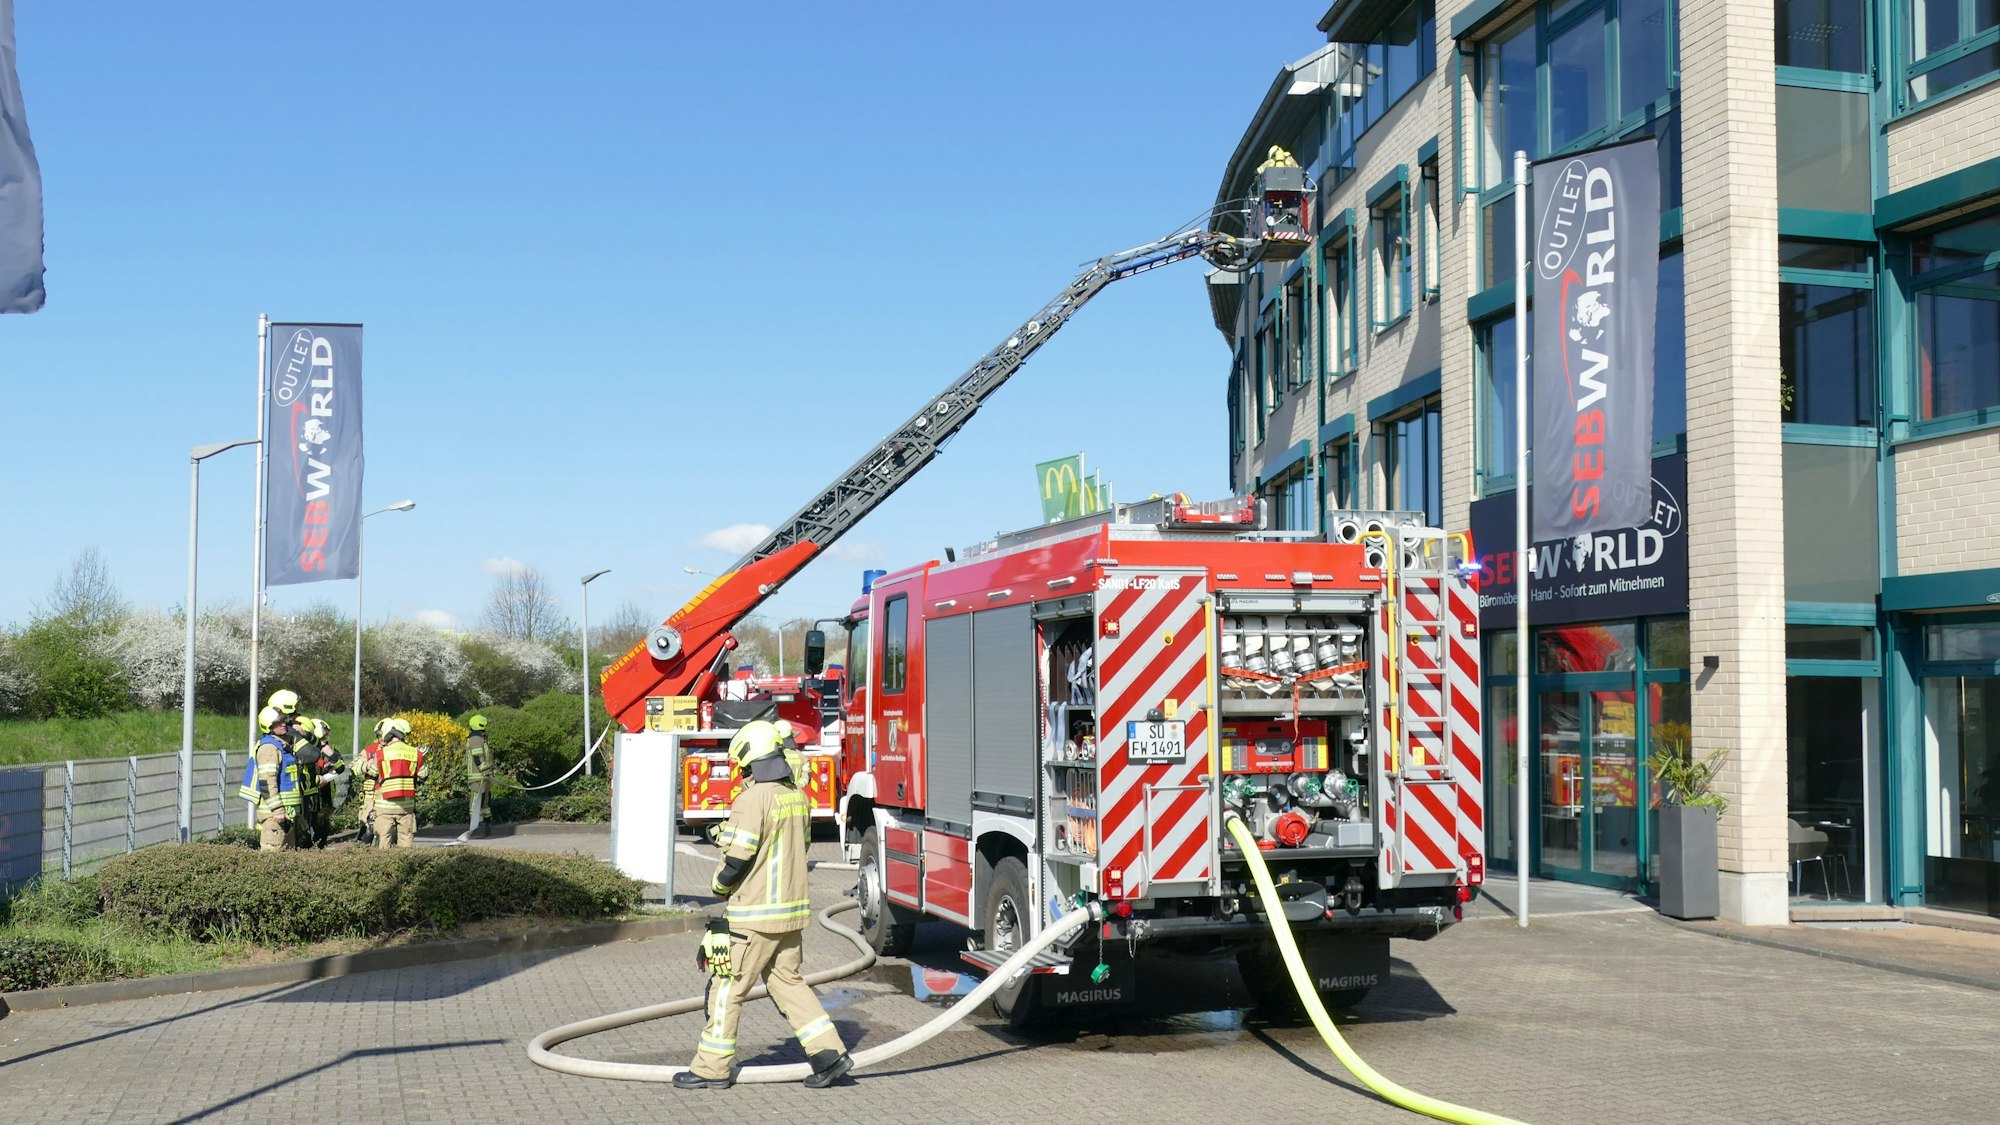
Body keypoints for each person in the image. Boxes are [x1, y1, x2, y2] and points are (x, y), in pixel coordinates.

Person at [676, 720, 851, 1092]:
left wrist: (718, 884)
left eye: (742, 767)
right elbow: (792, 844)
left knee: (727, 988)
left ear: (750, 760)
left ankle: (711, 1068)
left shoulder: (752, 799)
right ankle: (829, 1054)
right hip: (791, 914)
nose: (741, 774)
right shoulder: (796, 795)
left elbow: (738, 859)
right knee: (788, 983)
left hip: (754, 915)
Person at [236, 706, 301, 851]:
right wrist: (277, 810)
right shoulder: (269, 748)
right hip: (275, 816)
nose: (283, 724)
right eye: (278, 722)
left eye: (284, 720)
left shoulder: (284, 746)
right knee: (272, 859)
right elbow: (267, 781)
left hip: (287, 813)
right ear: (268, 726)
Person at [363, 718, 427, 848]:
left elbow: (374, 773)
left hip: (384, 806)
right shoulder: (416, 753)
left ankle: (386, 867)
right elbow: (423, 775)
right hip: (406, 806)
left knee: (384, 841)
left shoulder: (381, 754)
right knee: (406, 840)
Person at [355, 720, 387, 845]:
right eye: (379, 736)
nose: (382, 739)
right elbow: (355, 768)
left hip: (387, 794)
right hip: (370, 796)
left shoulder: (395, 750)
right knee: (368, 826)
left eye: (384, 736)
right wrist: (369, 764)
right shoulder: (369, 751)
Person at [463, 714, 494, 839]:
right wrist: (485, 770)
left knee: (485, 800)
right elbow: (478, 757)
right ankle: (477, 824)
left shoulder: (480, 738)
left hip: (483, 777)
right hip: (478, 777)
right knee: (476, 801)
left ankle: (486, 821)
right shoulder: (476, 739)